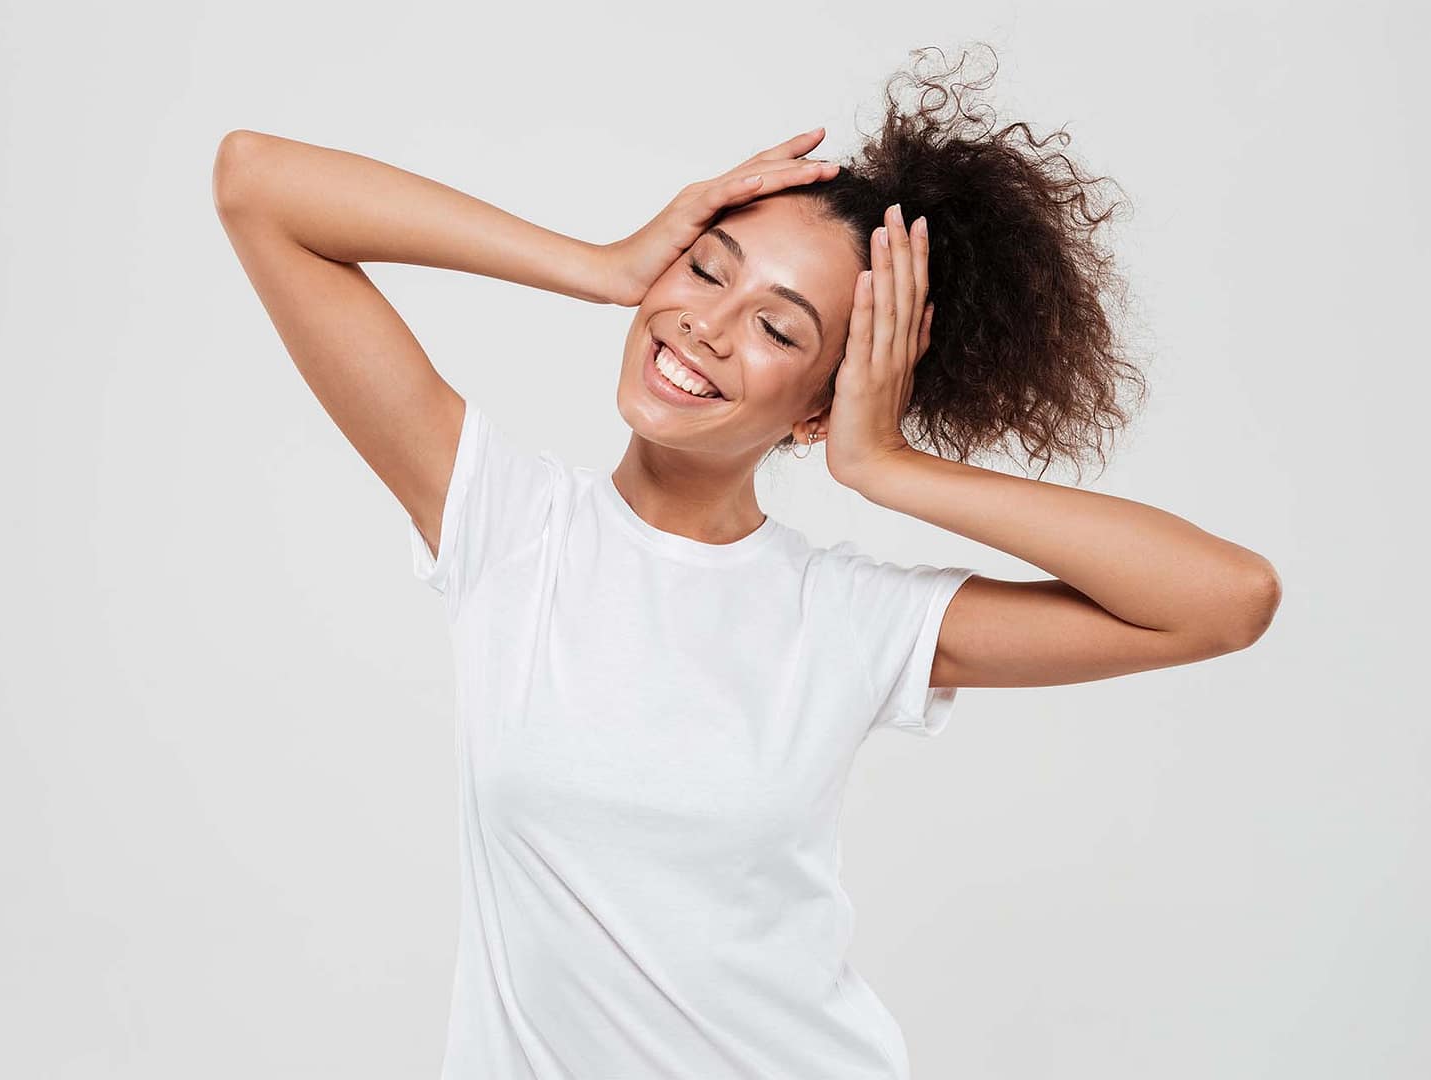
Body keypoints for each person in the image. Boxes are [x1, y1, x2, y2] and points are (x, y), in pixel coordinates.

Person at [213, 44, 1280, 1080]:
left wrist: (887, 465)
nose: (707, 326)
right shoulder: (508, 528)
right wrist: (602, 265)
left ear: (819, 403)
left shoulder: (844, 617)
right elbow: (258, 183)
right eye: (705, 269)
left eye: (777, 326)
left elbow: (1222, 602)